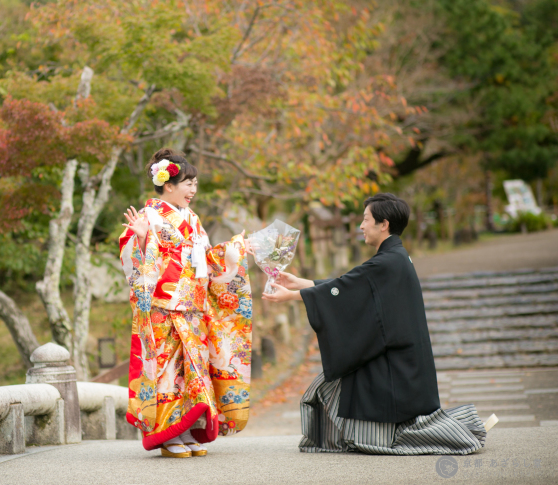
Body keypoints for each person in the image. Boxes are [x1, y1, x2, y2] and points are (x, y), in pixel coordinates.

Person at [263, 193, 494, 455]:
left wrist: (293, 295)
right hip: (403, 358)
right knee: (332, 386)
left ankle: (455, 433)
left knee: (344, 397)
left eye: (365, 219)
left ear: (383, 224)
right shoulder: (395, 257)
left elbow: (347, 288)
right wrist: (301, 283)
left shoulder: (386, 262)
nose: (361, 226)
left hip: (395, 363)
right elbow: (347, 286)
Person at [120, 149, 253, 458]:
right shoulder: (148, 217)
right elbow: (132, 261)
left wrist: (233, 250)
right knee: (167, 371)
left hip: (192, 307)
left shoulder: (192, 219)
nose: (193, 190)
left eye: (195, 184)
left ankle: (187, 429)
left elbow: (205, 260)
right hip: (162, 307)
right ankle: (166, 435)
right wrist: (140, 240)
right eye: (189, 183)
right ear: (169, 185)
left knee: (192, 370)